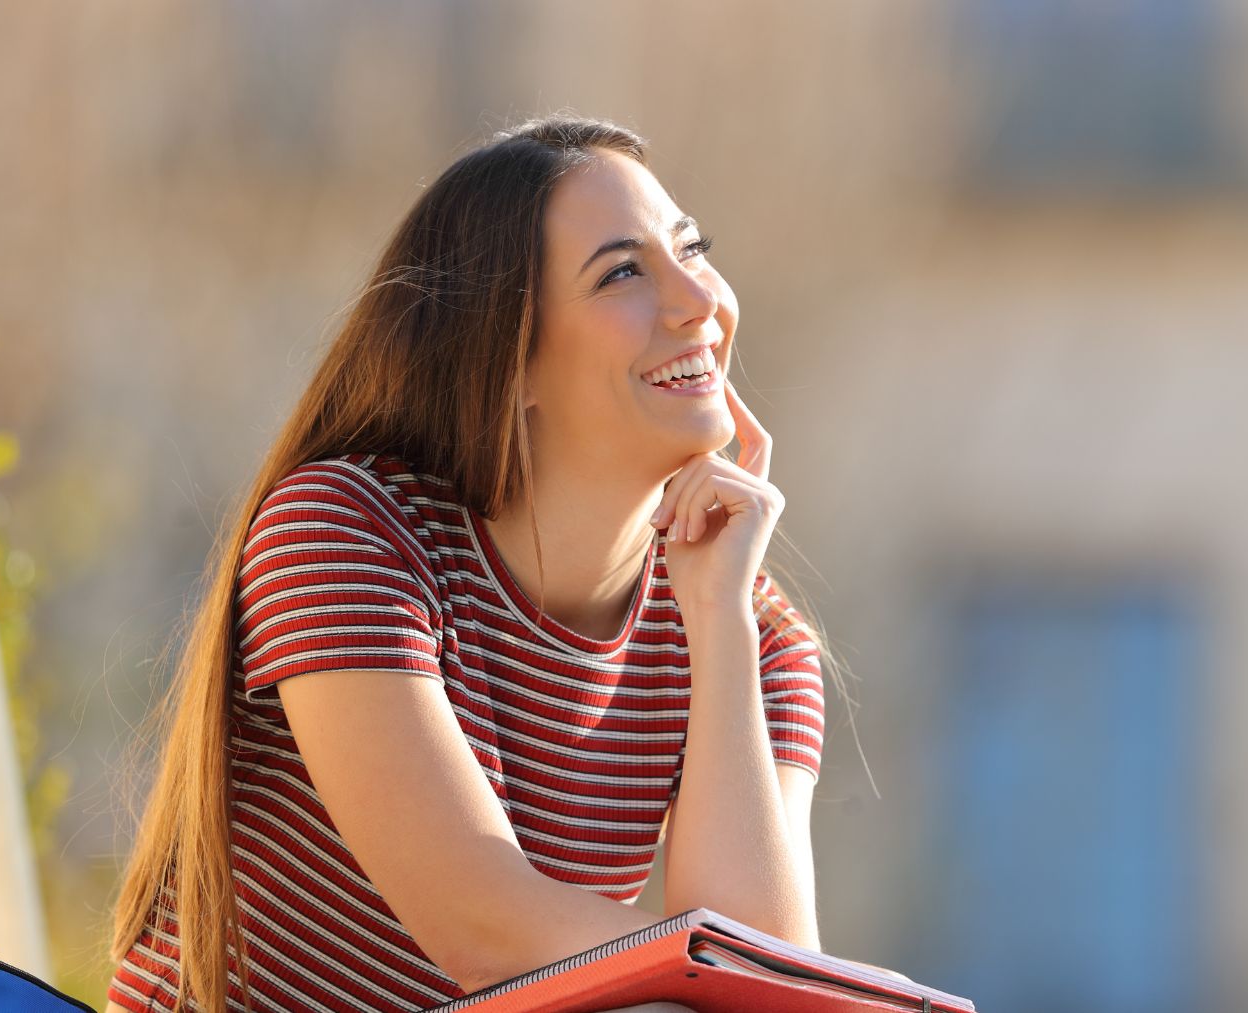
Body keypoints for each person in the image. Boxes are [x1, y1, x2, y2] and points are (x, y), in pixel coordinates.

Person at [103, 114, 834, 1013]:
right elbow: (486, 934)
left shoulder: (755, 636)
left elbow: (773, 995)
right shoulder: (348, 530)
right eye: (623, 273)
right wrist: (715, 982)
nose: (700, 302)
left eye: (693, 249)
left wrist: (718, 618)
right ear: (507, 358)